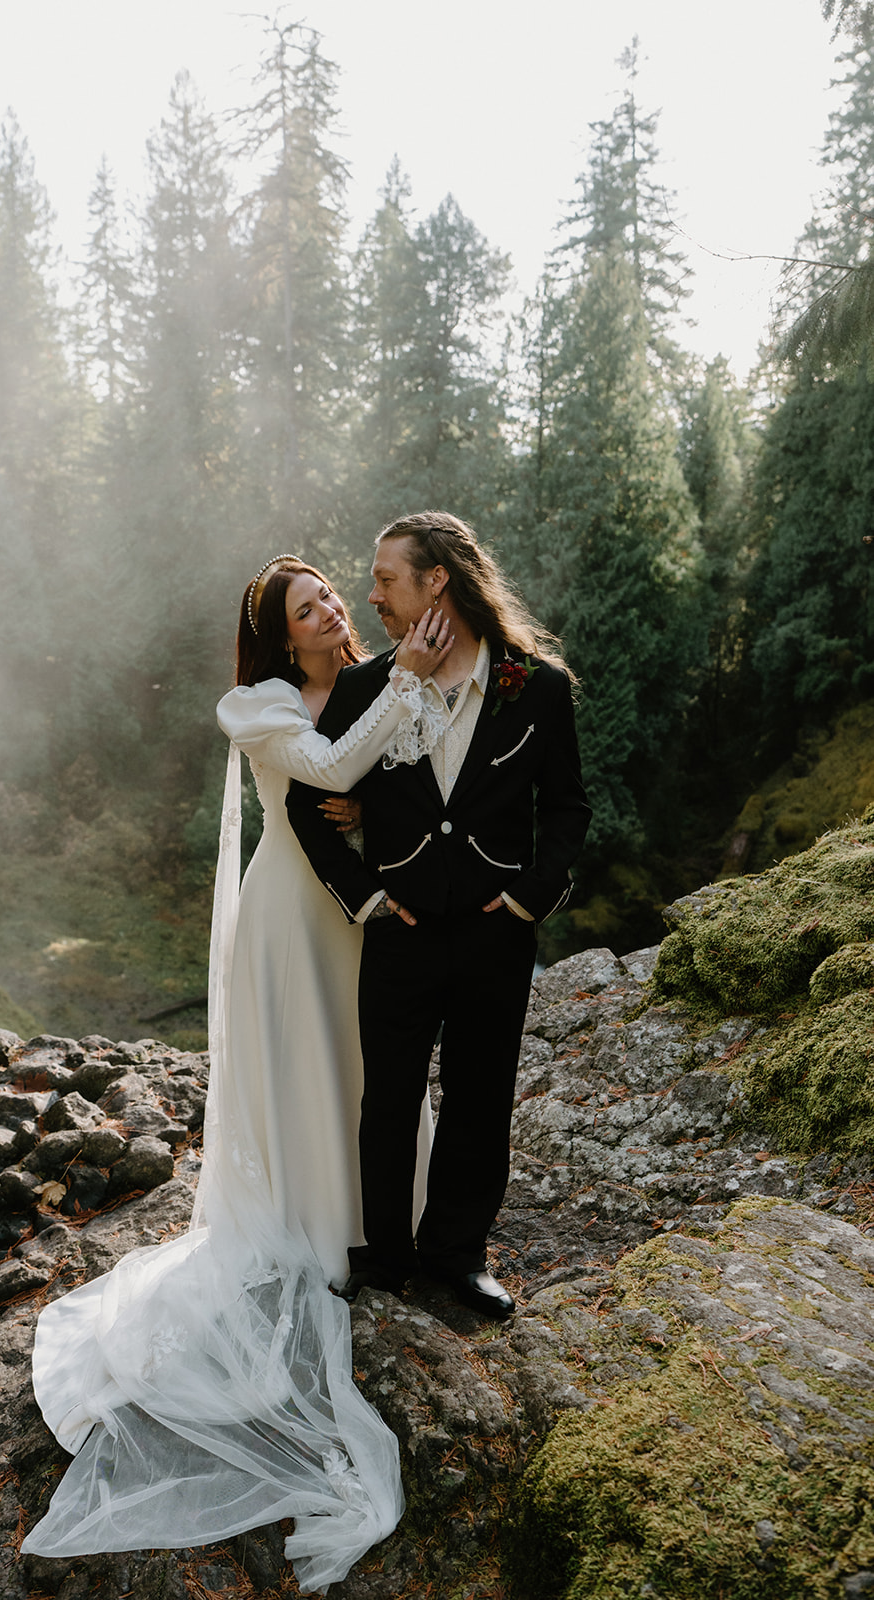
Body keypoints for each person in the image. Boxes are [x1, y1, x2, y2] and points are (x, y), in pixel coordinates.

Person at [22, 556, 448, 1595]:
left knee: (372, 1059)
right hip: (286, 921)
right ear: (278, 632)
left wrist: (385, 798)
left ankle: (392, 1210)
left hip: (356, 914)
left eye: (332, 596)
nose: (330, 610)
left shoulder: (366, 680)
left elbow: (407, 779)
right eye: (308, 608)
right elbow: (331, 770)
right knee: (311, 1065)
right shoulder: (254, 705)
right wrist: (397, 700)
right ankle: (319, 1223)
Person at [287, 512, 591, 1319]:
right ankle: (384, 1259)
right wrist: (365, 897)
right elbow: (303, 808)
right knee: (385, 1100)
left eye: (387, 578)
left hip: (497, 933)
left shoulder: (538, 685)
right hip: (399, 930)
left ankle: (457, 1256)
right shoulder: (362, 689)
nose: (372, 596)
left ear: (436, 583)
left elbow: (566, 811)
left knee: (480, 1097)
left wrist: (528, 898)